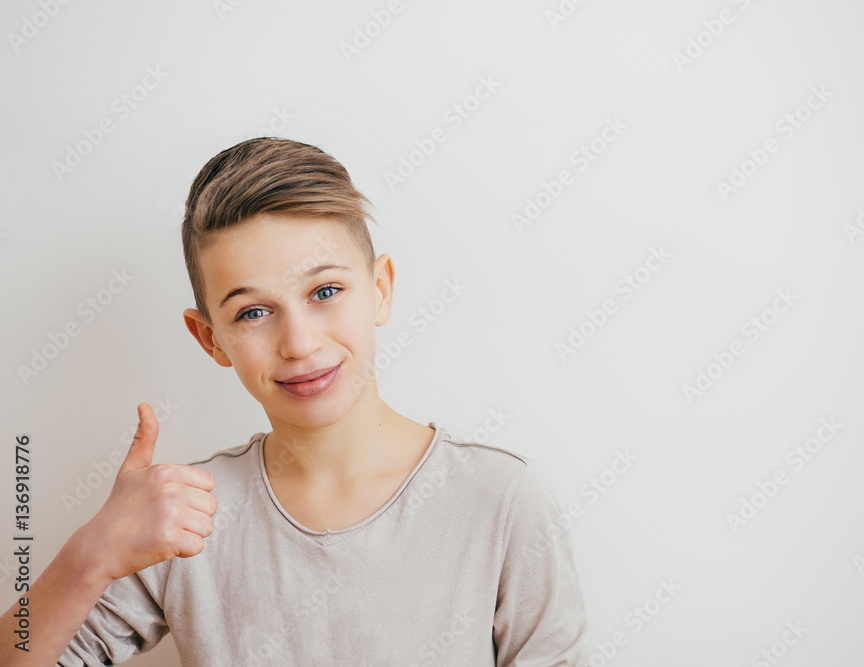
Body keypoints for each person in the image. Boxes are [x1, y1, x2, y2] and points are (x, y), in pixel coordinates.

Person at [0, 137, 590, 666]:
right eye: (252, 312)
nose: (300, 343)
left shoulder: (501, 501)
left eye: (326, 291)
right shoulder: (186, 518)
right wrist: (90, 556)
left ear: (380, 289)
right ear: (211, 338)